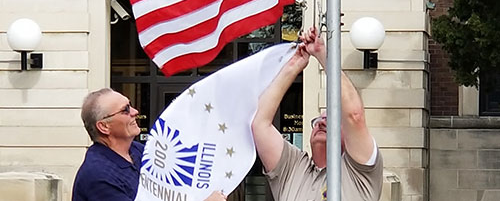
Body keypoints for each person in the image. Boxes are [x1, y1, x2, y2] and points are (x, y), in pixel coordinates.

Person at [251, 27, 383, 201]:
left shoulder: (359, 173)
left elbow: (354, 115)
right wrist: (293, 67)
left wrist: (323, 55)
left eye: (331, 120)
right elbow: (260, 124)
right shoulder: (292, 168)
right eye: (319, 119)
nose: (321, 122)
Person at [72, 88, 228, 201]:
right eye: (125, 110)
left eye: (130, 104)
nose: (135, 111)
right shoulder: (98, 176)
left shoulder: (139, 150)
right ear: (104, 127)